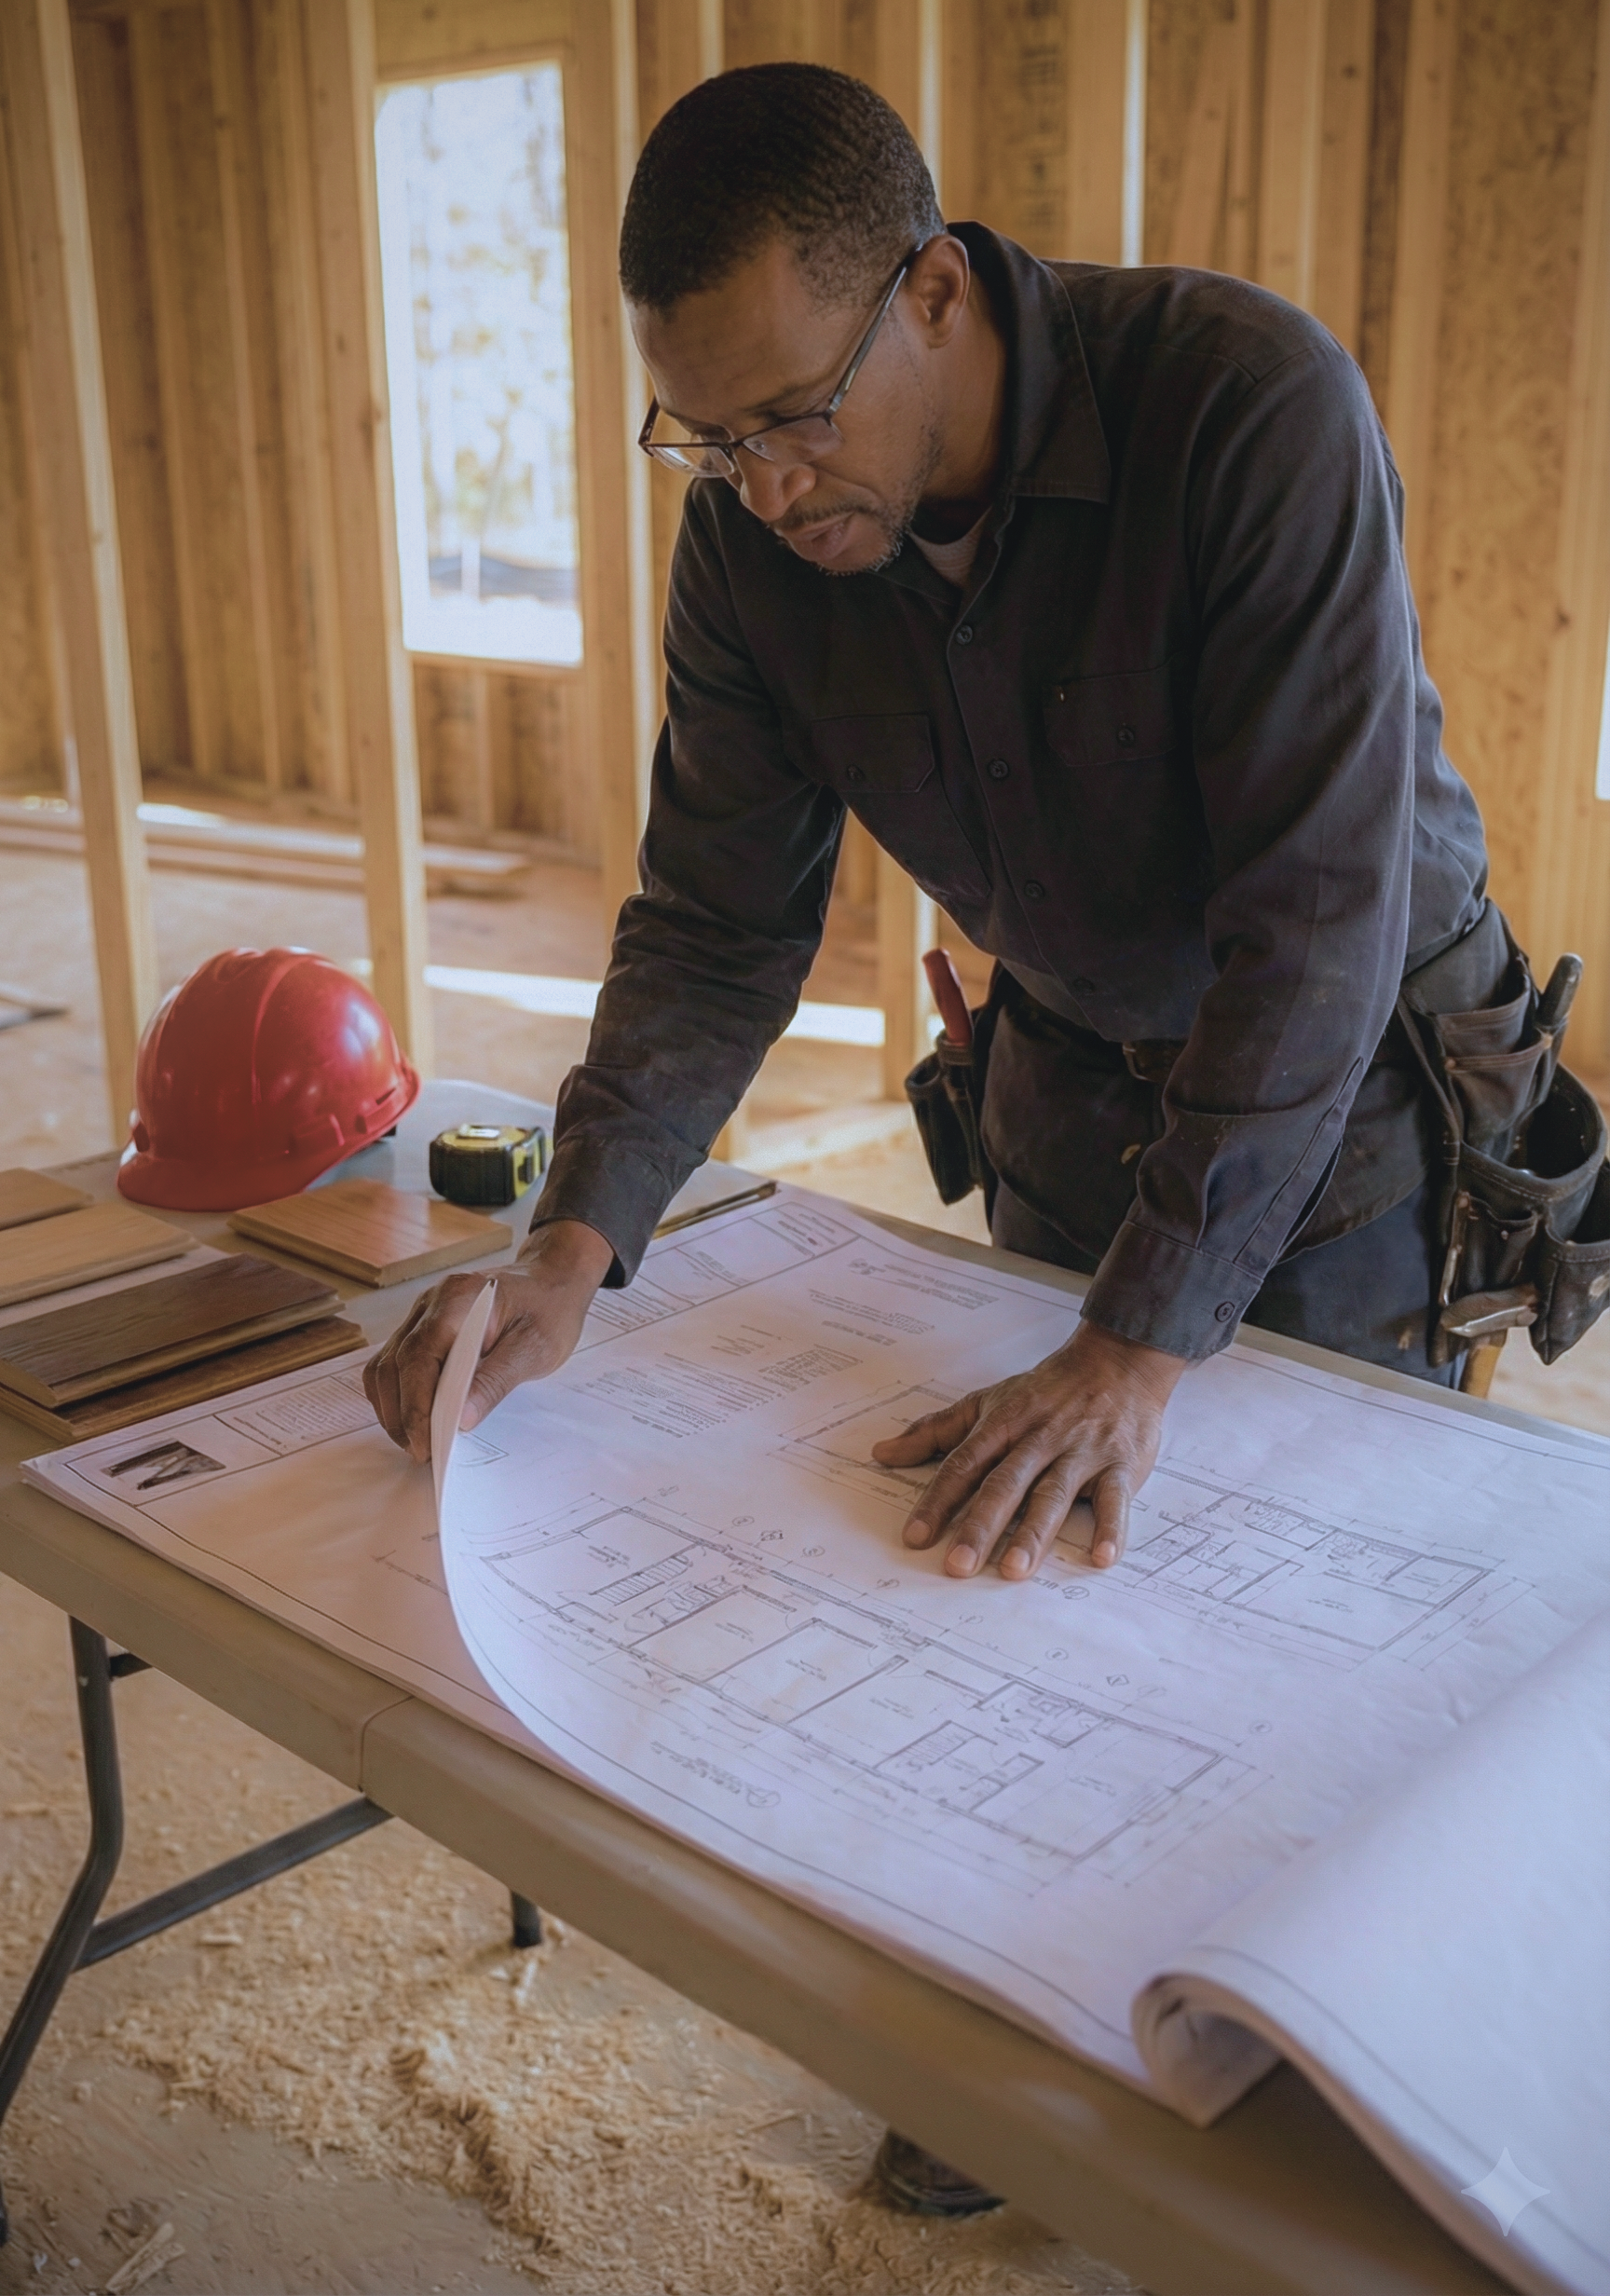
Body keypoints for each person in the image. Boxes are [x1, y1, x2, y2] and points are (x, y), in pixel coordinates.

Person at [367, 61, 1500, 2214]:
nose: (766, 483)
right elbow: (716, 922)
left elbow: (1318, 923)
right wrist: (570, 1248)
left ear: (938, 293)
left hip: (1346, 1091)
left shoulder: (1247, 407)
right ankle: (1031, 2051)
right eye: (705, 432)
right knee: (1037, 1572)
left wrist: (1146, 1337)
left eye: (796, 411)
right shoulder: (752, 540)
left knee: (1298, 1644)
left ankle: (1312, 2141)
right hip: (1069, 1056)